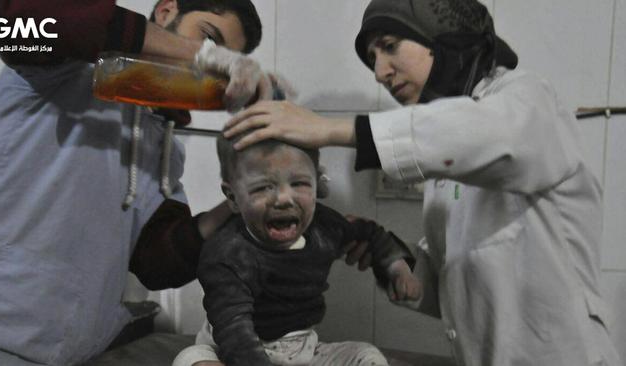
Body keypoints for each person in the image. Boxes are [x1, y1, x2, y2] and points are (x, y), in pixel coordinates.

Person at [222, 0, 623, 365]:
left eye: (390, 46)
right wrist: (400, 262)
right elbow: (461, 281)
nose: (380, 72)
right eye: (372, 59)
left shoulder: (529, 100)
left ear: (444, 39)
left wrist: (329, 129)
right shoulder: (445, 161)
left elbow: (487, 135)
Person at [0, 0, 271, 365]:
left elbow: (155, 262)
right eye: (210, 38)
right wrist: (199, 53)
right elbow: (12, 25)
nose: (214, 65)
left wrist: (236, 205)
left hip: (70, 353)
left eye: (228, 60)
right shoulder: (54, 69)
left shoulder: (163, 144)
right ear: (165, 12)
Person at [171, 135, 422, 366]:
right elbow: (233, 328)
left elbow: (370, 233)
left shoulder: (325, 227)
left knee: (367, 356)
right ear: (233, 197)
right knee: (191, 360)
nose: (283, 199)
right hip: (230, 349)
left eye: (299, 183)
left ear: (317, 184)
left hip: (303, 349)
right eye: (262, 187)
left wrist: (397, 269)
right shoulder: (226, 253)